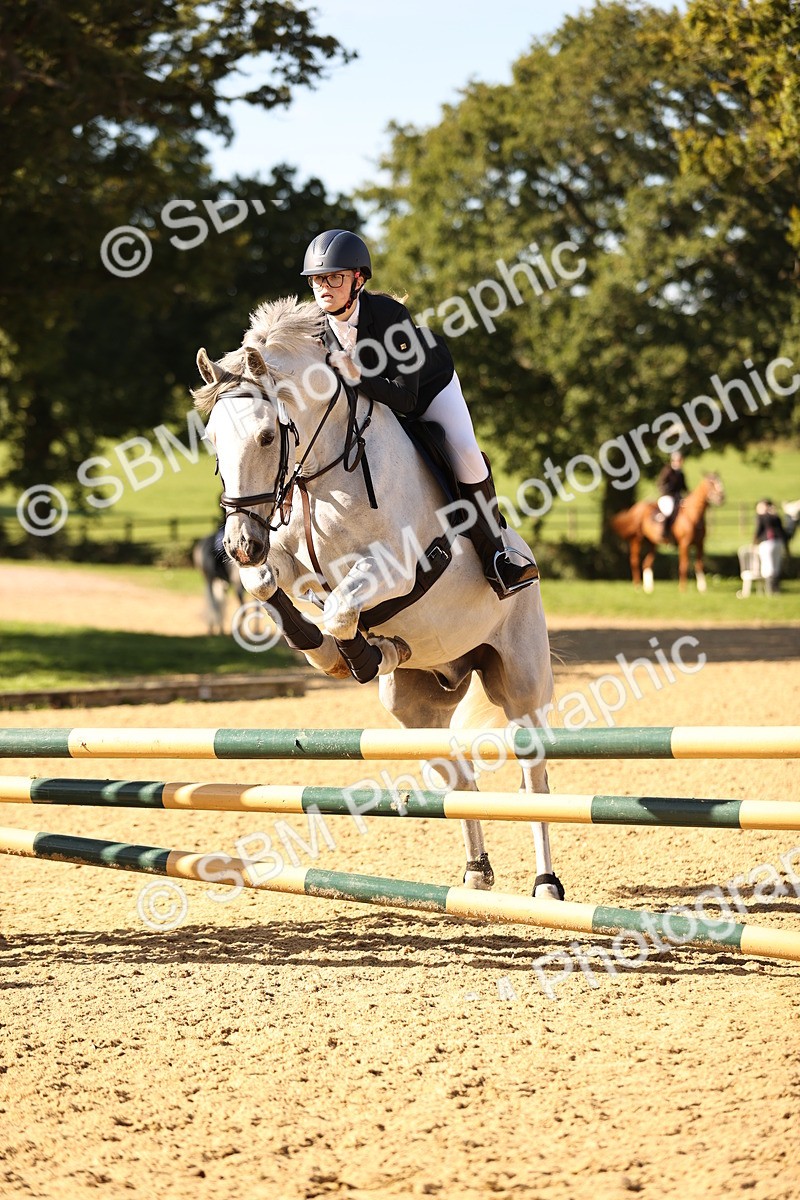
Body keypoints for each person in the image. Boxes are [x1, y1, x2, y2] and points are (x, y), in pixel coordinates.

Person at [300, 228, 539, 599]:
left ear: (358, 279)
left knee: (465, 456)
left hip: (429, 390)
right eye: (317, 279)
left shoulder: (391, 316)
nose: (324, 287)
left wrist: (357, 376)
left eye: (335, 277)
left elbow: (406, 399)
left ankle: (499, 556)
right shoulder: (313, 329)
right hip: (372, 402)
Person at [754, 499, 788, 595]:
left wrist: (754, 543)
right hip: (779, 542)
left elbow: (758, 531)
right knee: (776, 566)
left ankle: (770, 590)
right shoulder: (776, 517)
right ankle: (776, 589)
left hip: (767, 543)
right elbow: (782, 531)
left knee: (767, 566)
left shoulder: (761, 517)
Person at [656, 451, 687, 534]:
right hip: (667, 496)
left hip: (678, 497)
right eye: (678, 460)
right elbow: (660, 484)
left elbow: (684, 488)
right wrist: (668, 490)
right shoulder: (667, 470)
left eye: (681, 460)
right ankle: (665, 532)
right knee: (669, 510)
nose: (680, 462)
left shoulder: (681, 473)